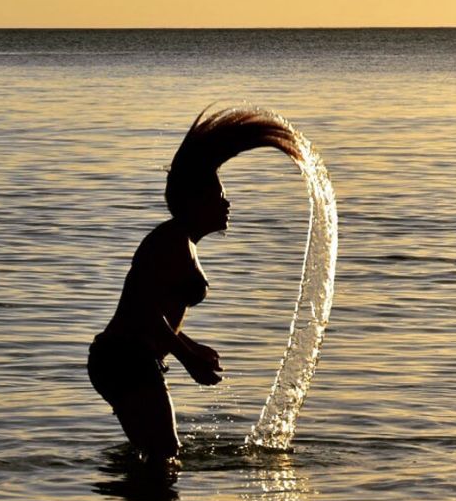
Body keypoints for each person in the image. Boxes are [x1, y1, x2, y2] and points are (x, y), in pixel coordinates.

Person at [88, 107, 304, 462]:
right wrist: (187, 357)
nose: (227, 203)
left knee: (153, 454)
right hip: (125, 358)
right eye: (219, 196)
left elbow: (153, 312)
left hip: (125, 357)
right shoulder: (171, 240)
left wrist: (189, 344)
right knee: (165, 454)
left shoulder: (181, 241)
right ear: (195, 202)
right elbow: (143, 309)